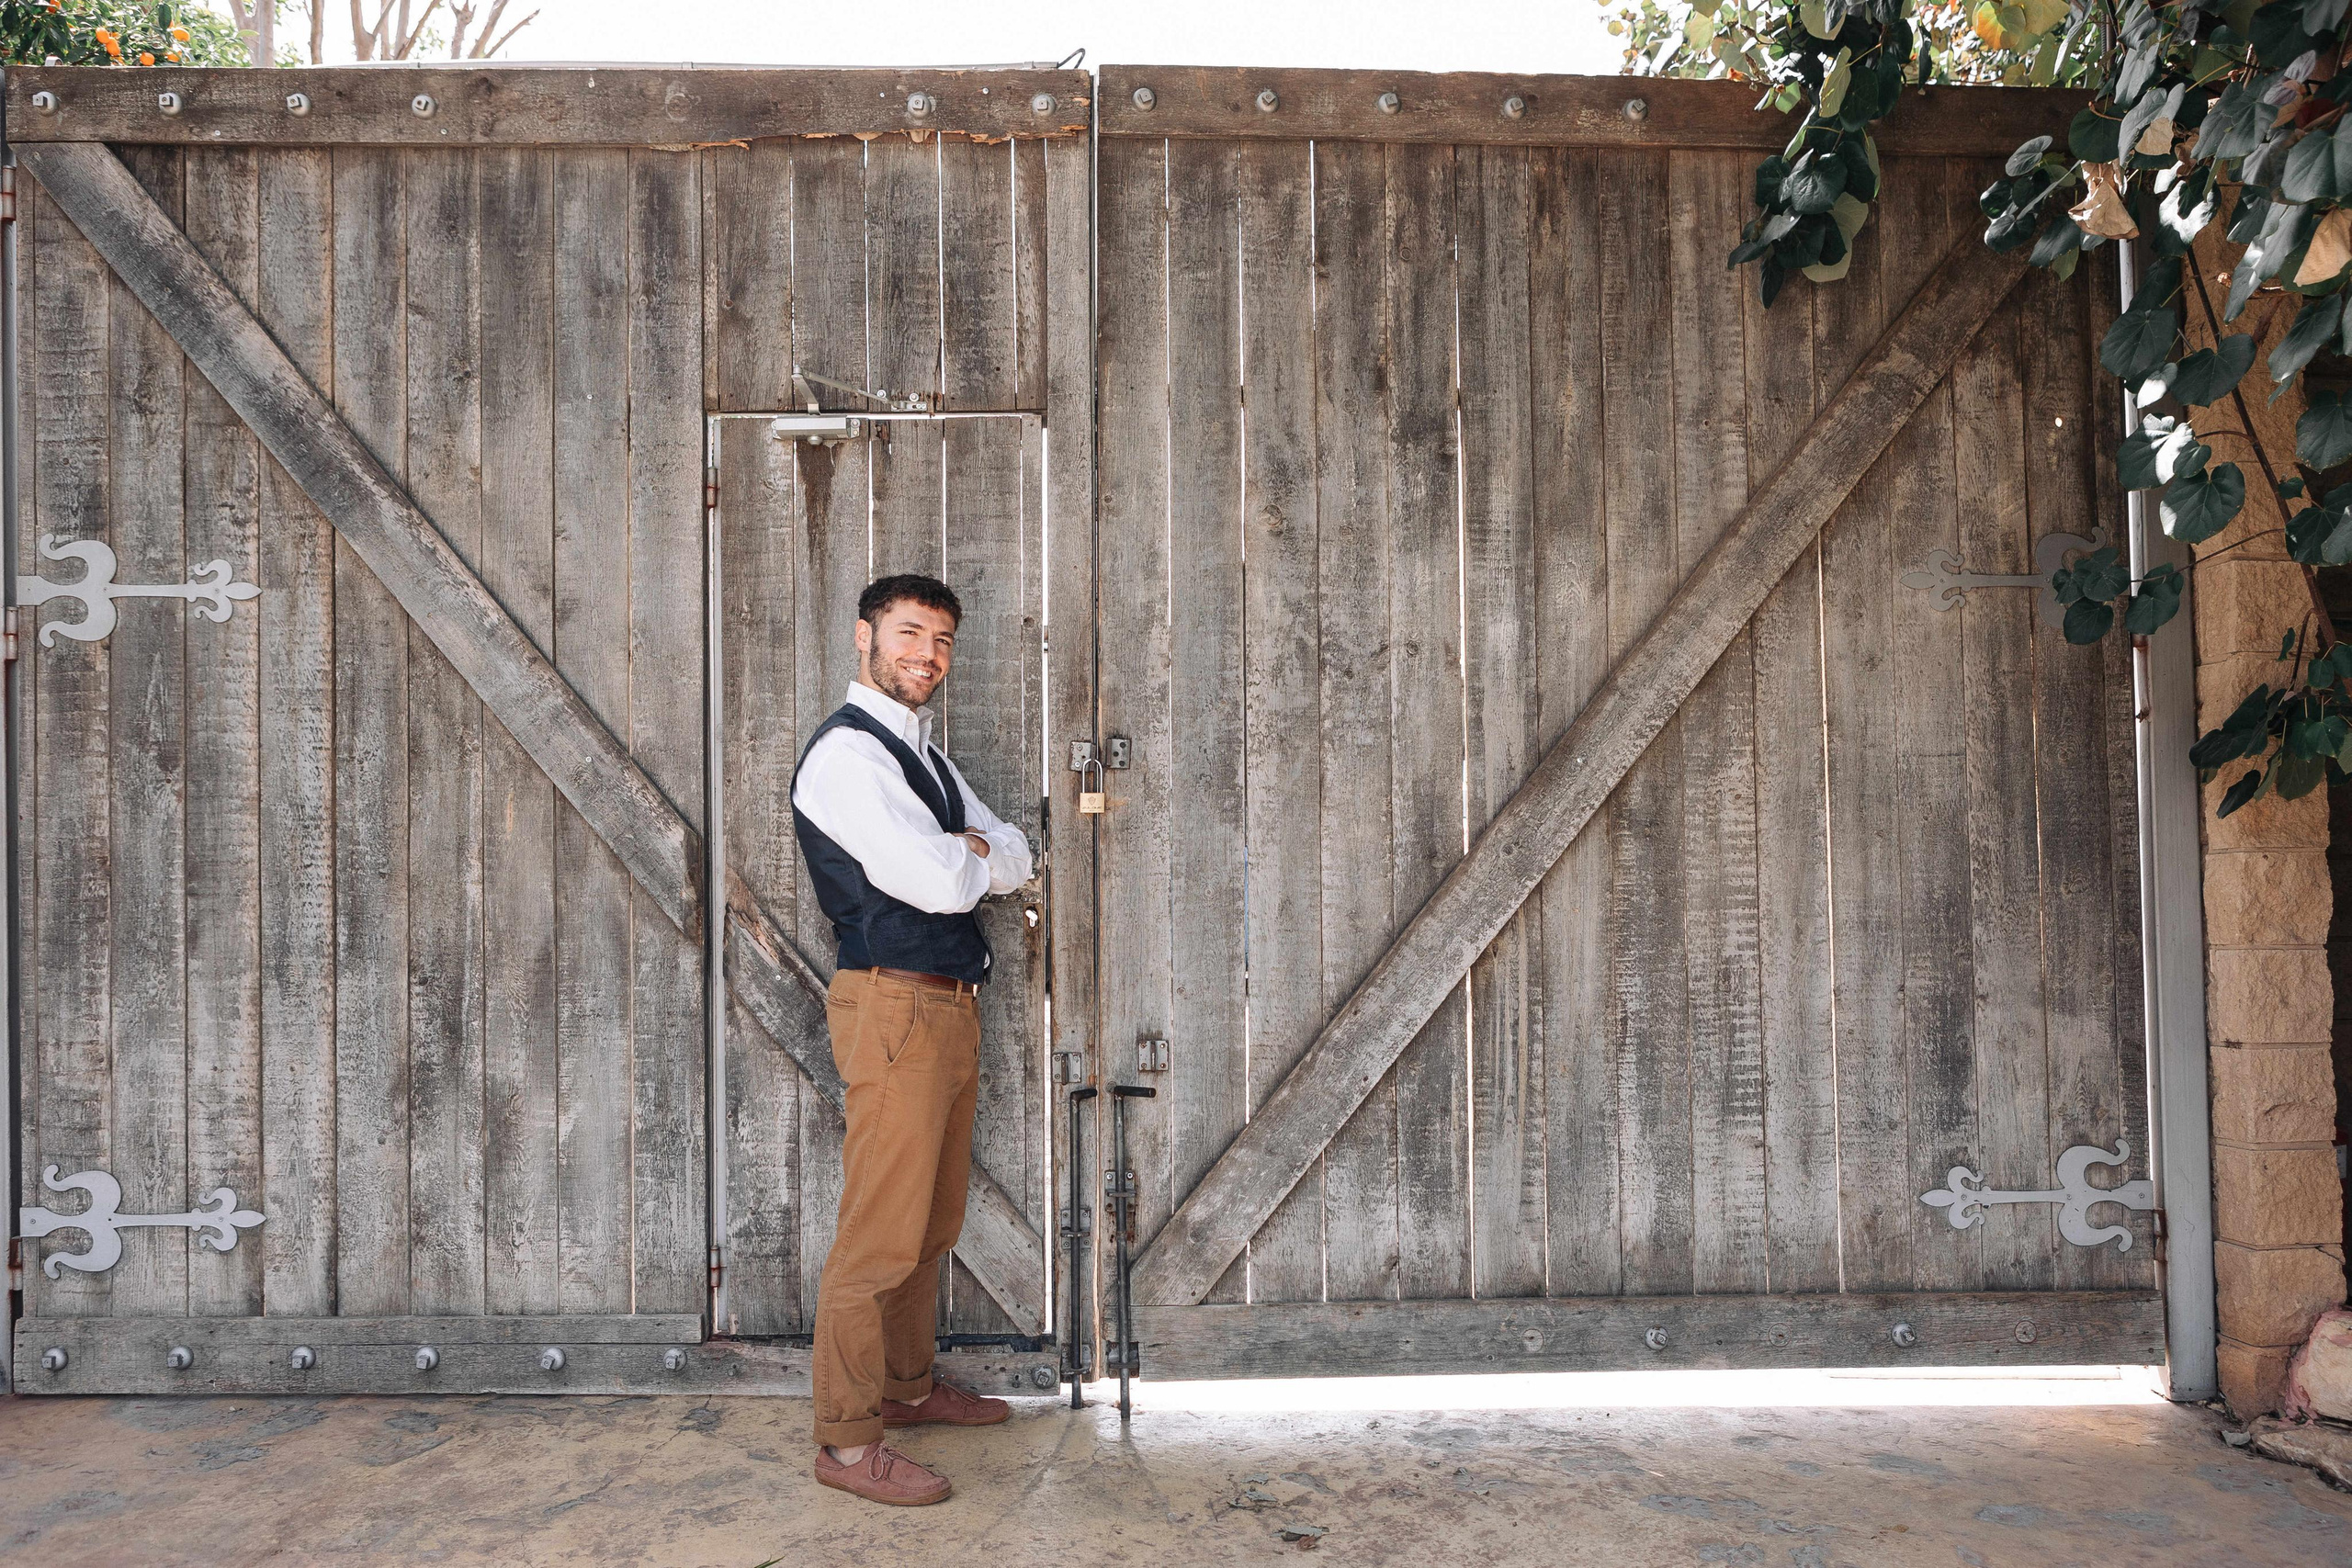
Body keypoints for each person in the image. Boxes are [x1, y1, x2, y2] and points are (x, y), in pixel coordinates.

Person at [790, 572, 1035, 1506]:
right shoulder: (850, 757)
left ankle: (905, 1389)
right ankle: (848, 1446)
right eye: (906, 634)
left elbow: (1009, 849)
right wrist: (972, 855)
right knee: (879, 1237)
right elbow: (939, 882)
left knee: (930, 1224)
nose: (924, 655)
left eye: (939, 641)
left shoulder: (918, 753)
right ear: (864, 638)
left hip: (945, 1004)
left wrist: (977, 852)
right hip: (892, 1004)